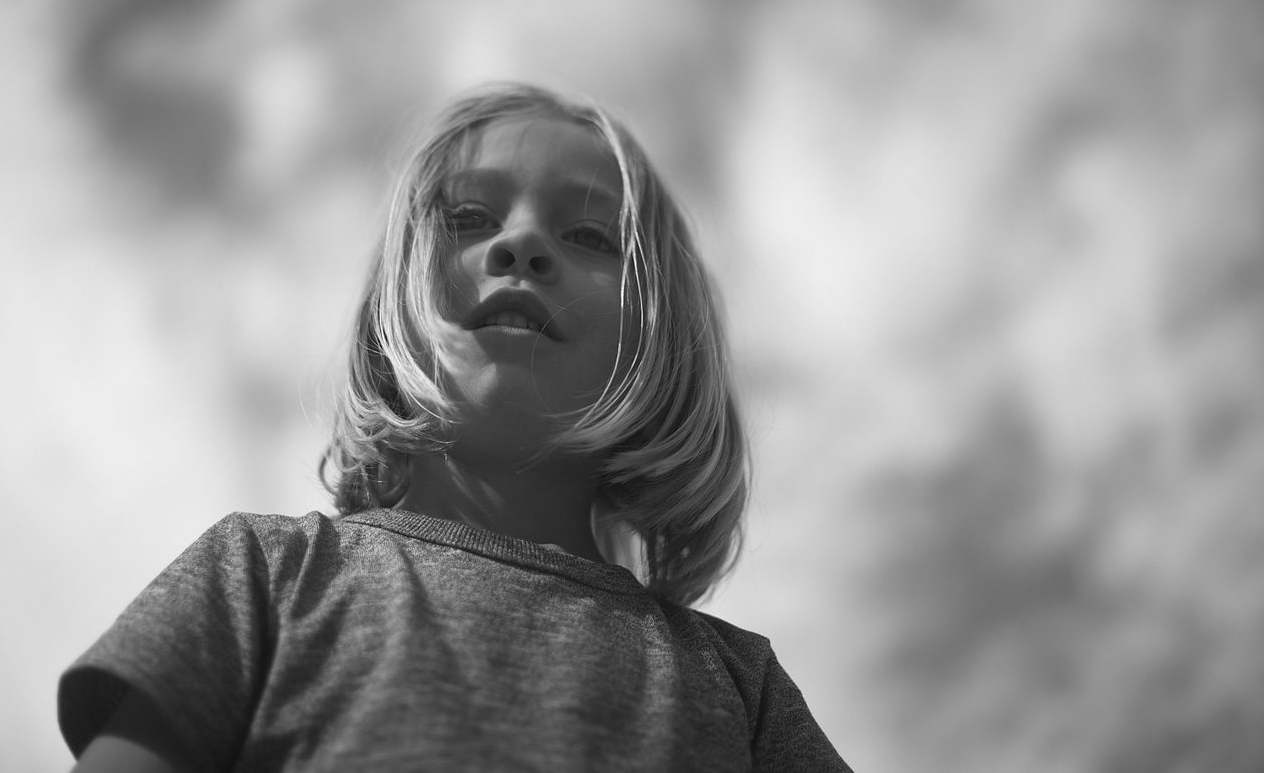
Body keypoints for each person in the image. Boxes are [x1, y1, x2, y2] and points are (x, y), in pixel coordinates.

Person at [58, 82, 853, 772]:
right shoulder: (266, 575)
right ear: (395, 298)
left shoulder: (738, 687)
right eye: (469, 217)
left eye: (589, 236)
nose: (522, 244)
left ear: (664, 338)